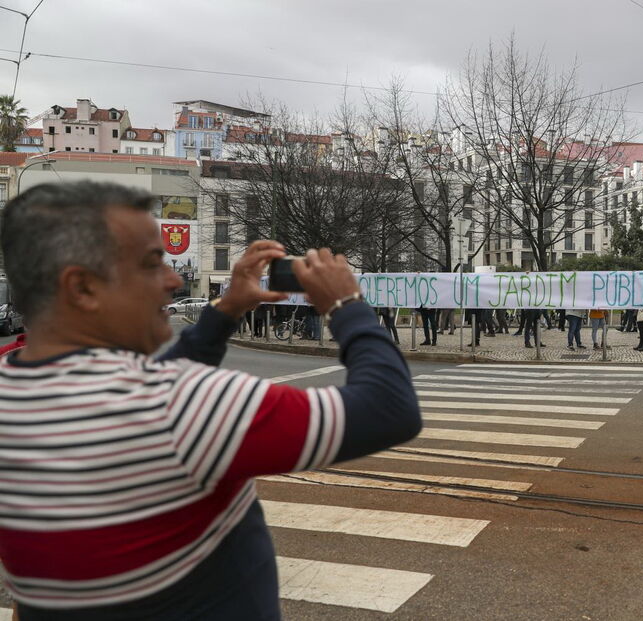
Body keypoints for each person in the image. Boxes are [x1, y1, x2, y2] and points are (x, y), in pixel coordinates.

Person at [0, 181, 421, 621]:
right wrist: (346, 304)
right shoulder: (176, 406)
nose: (173, 279)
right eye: (151, 263)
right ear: (82, 287)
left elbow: (154, 384)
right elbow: (389, 407)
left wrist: (227, 309)